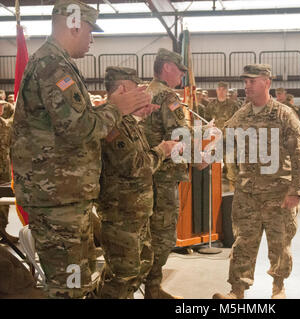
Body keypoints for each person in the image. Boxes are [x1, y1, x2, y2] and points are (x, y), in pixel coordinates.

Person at [10, 0, 152, 298]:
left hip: (66, 198)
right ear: (74, 24)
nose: (91, 38)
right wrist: (116, 108)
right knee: (69, 287)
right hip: (57, 200)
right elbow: (80, 128)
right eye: (89, 29)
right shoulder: (53, 66)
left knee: (78, 281)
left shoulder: (58, 63)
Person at [213, 64, 300, 299]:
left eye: (252, 81)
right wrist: (206, 157)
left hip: (279, 192)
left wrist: (296, 191)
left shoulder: (283, 114)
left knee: (280, 243)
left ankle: (278, 287)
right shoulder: (242, 114)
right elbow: (226, 143)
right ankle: (237, 290)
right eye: (245, 81)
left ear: (267, 82)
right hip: (247, 193)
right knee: (243, 242)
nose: (247, 86)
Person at [94, 67, 178, 298]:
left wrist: (140, 115)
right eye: (135, 90)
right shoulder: (112, 123)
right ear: (122, 89)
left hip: (137, 212)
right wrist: (163, 150)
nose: (142, 95)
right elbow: (138, 167)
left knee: (139, 267)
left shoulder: (126, 120)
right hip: (121, 214)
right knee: (123, 275)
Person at [140, 48, 190, 299]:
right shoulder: (167, 95)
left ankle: (152, 286)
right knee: (163, 234)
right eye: (180, 70)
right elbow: (180, 134)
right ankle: (151, 288)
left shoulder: (144, 91)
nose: (182, 76)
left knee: (147, 231)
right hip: (164, 175)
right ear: (168, 67)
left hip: (145, 172)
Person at [0, 98, 17, 244]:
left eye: (2, 106)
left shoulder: (6, 126)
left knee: (4, 204)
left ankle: (2, 231)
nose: (1, 108)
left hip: (3, 172)